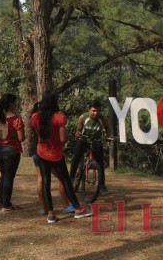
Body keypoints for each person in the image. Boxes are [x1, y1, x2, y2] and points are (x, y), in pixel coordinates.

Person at [30, 93, 92, 223]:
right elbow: (63, 138)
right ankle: (78, 209)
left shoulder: (35, 117)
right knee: (65, 180)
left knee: (46, 181)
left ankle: (50, 214)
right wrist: (59, 145)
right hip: (56, 154)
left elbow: (38, 134)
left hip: (41, 151)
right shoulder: (59, 117)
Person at [30, 102, 74, 216]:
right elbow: (62, 138)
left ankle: (45, 208)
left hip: (38, 152)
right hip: (51, 152)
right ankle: (66, 204)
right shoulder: (54, 118)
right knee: (62, 178)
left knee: (42, 180)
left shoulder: (35, 118)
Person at [69, 99, 113, 196]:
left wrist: (109, 137)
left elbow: (107, 128)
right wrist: (77, 134)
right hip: (84, 141)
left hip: (97, 142)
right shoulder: (83, 118)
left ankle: (102, 185)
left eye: (98, 111)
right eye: (93, 111)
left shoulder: (103, 119)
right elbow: (78, 130)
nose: (96, 113)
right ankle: (71, 178)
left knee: (100, 163)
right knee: (76, 157)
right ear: (89, 110)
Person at [0, 93, 25, 211]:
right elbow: (21, 138)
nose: (16, 104)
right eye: (15, 102)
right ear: (11, 104)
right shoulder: (16, 119)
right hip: (11, 151)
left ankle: (0, 201)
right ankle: (6, 204)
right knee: (9, 176)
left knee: (3, 174)